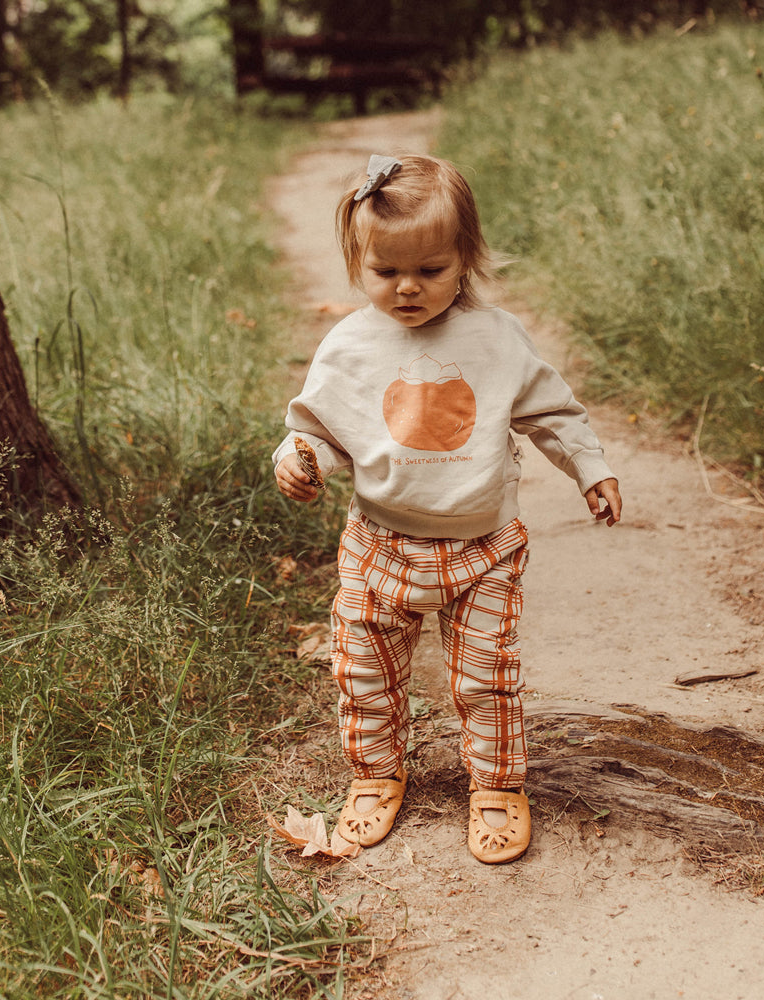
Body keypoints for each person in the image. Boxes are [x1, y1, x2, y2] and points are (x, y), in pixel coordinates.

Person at [274, 153, 622, 864]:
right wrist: (300, 460)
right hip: (377, 547)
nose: (406, 288)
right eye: (385, 272)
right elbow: (320, 428)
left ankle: (496, 785)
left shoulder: (495, 340)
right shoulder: (350, 345)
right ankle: (374, 775)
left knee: (485, 676)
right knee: (364, 673)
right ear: (357, 261)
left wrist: (590, 468)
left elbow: (553, 413)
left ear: (465, 258)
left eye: (430, 271)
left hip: (481, 550)